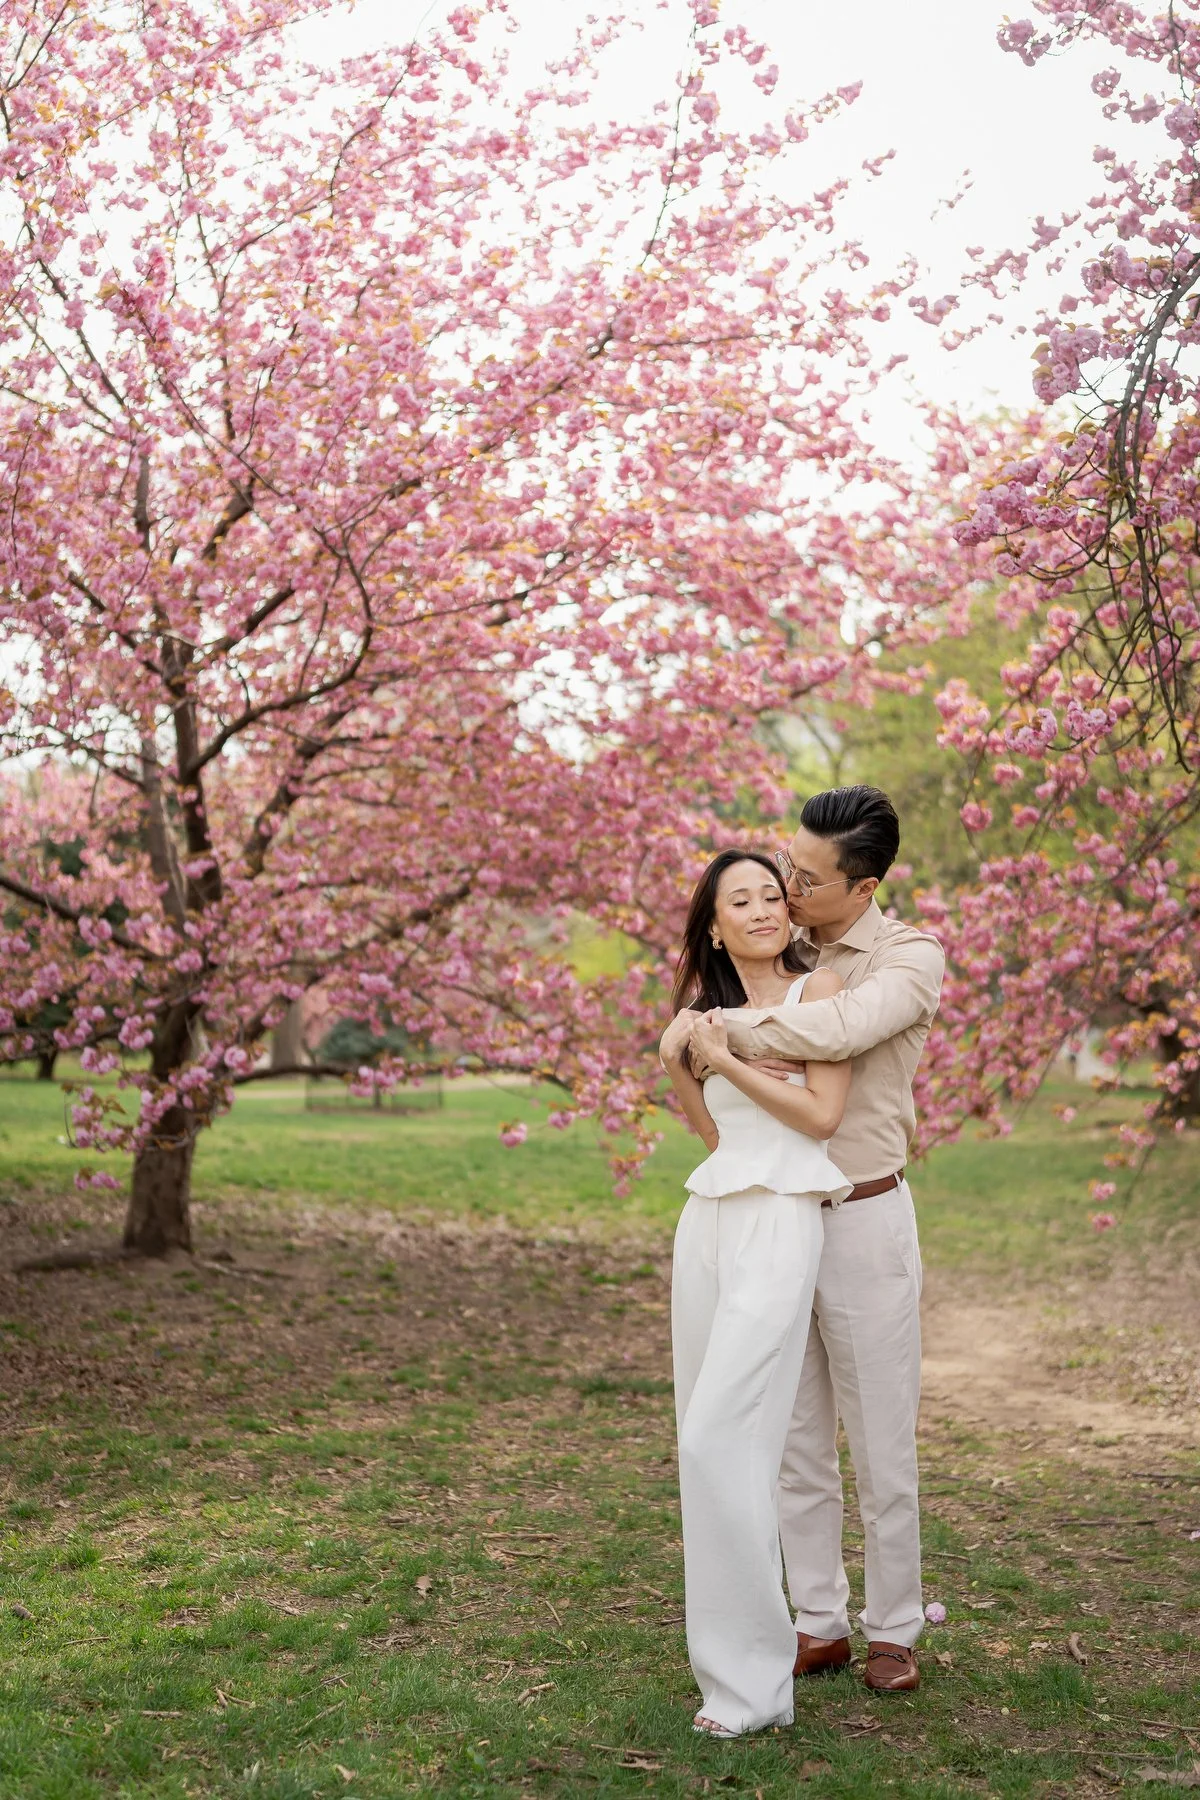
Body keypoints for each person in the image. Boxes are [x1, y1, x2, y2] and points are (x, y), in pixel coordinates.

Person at [689, 786, 945, 1695]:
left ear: (864, 885)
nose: (787, 885)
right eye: (786, 866)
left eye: (806, 875)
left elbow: (837, 1029)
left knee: (881, 1440)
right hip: (779, 1223)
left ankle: (895, 1627)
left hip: (866, 1216)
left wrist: (712, 1031)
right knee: (796, 1436)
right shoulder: (784, 953)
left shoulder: (907, 958)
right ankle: (821, 1619)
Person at [659, 849, 853, 1738]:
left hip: (783, 1218)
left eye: (774, 895)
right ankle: (736, 1682)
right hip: (711, 1222)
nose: (766, 909)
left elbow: (819, 1119)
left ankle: (753, 1683)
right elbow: (705, 1129)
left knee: (717, 1439)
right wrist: (692, 1053)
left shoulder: (821, 999)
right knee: (701, 1443)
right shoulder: (695, 1018)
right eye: (742, 899)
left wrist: (728, 1058)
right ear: (714, 924)